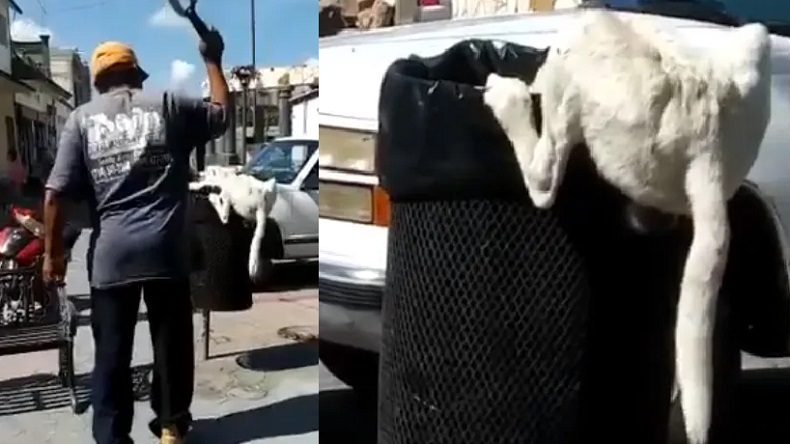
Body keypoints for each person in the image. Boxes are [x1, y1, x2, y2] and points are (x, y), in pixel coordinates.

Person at [42, 28, 230, 444]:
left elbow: (54, 194)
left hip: (112, 258)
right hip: (166, 251)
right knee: (171, 344)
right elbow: (220, 114)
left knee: (111, 355)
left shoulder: (81, 120)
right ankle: (171, 425)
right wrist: (212, 59)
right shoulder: (168, 104)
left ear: (97, 82)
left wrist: (52, 257)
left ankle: (112, 436)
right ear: (136, 75)